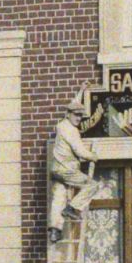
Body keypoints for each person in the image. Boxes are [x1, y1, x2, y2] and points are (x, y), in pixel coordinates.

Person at [47, 99, 99, 243]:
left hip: (56, 170)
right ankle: (72, 208)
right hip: (67, 170)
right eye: (76, 115)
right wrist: (93, 156)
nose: (78, 118)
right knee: (92, 185)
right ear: (68, 114)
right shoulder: (71, 130)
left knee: (58, 199)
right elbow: (79, 150)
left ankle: (55, 230)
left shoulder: (61, 126)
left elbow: (71, 150)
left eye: (80, 115)